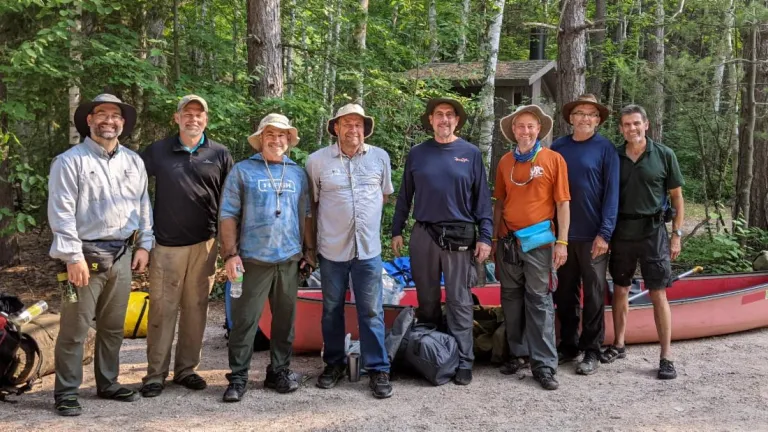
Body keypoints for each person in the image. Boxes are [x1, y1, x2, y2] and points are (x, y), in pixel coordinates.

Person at [48, 94, 154, 416]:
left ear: (123, 123)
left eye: (115, 116)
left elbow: (143, 204)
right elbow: (61, 212)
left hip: (121, 255)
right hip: (82, 257)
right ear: (89, 120)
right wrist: (71, 256)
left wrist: (145, 244)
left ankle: (108, 383)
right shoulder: (70, 161)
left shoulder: (134, 162)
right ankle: (66, 392)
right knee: (75, 328)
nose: (109, 120)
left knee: (112, 326)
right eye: (102, 114)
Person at [392, 97, 493, 386]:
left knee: (460, 300)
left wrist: (485, 236)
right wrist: (397, 229)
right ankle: (431, 355)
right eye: (439, 115)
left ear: (457, 121)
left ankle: (463, 359)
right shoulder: (418, 153)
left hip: (459, 235)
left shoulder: (470, 153)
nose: (444, 119)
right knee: (427, 299)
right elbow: (404, 195)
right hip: (423, 233)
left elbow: (482, 200)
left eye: (450, 115)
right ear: (431, 120)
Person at [139, 95, 233, 398]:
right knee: (162, 310)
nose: (193, 118)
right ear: (176, 118)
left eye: (199, 114)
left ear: (206, 119)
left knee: (196, 310)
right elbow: (134, 191)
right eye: (187, 113)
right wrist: (141, 238)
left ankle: (187, 369)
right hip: (166, 246)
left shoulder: (219, 154)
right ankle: (155, 374)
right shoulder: (157, 152)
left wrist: (229, 244)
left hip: (205, 245)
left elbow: (230, 203)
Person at [218, 113, 313, 402]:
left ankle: (279, 371)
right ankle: (238, 377)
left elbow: (307, 214)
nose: (276, 139)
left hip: (288, 259)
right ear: (261, 139)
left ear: (289, 140)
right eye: (270, 134)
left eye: (282, 135)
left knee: (285, 321)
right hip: (251, 259)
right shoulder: (243, 171)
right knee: (245, 321)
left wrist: (309, 252)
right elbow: (227, 213)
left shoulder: (297, 173)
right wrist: (230, 254)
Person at [306, 103, 395, 399]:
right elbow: (313, 206)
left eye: (358, 124)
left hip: (368, 249)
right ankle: (334, 364)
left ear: (364, 129)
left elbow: (383, 197)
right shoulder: (316, 162)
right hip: (331, 250)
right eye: (347, 123)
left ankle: (378, 368)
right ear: (335, 128)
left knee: (371, 311)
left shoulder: (380, 157)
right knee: (331, 310)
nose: (352, 129)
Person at [602, 104, 685, 380]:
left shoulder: (663, 155)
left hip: (654, 232)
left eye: (636, 123)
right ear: (621, 128)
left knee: (658, 292)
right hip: (622, 231)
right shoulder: (613, 156)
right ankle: (619, 344)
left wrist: (676, 234)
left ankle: (666, 356)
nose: (632, 129)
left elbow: (677, 198)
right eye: (626, 125)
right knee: (621, 289)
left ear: (646, 125)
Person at [492, 105, 570, 390]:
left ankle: (544, 364)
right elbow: (499, 202)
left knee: (539, 300)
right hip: (509, 241)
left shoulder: (553, 159)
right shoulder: (504, 162)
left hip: (539, 241)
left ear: (539, 130)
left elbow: (563, 203)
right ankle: (518, 353)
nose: (525, 131)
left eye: (530, 126)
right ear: (513, 130)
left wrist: (562, 241)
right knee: (511, 298)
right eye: (520, 126)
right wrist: (494, 239)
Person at [550, 94, 619, 375]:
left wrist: (605, 233)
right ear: (571, 118)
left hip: (594, 236)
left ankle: (592, 349)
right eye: (580, 113)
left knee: (593, 292)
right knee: (564, 293)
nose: (585, 118)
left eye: (591, 115)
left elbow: (612, 194)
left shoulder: (606, 149)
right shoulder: (558, 147)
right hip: (564, 237)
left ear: (598, 121)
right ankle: (569, 344)